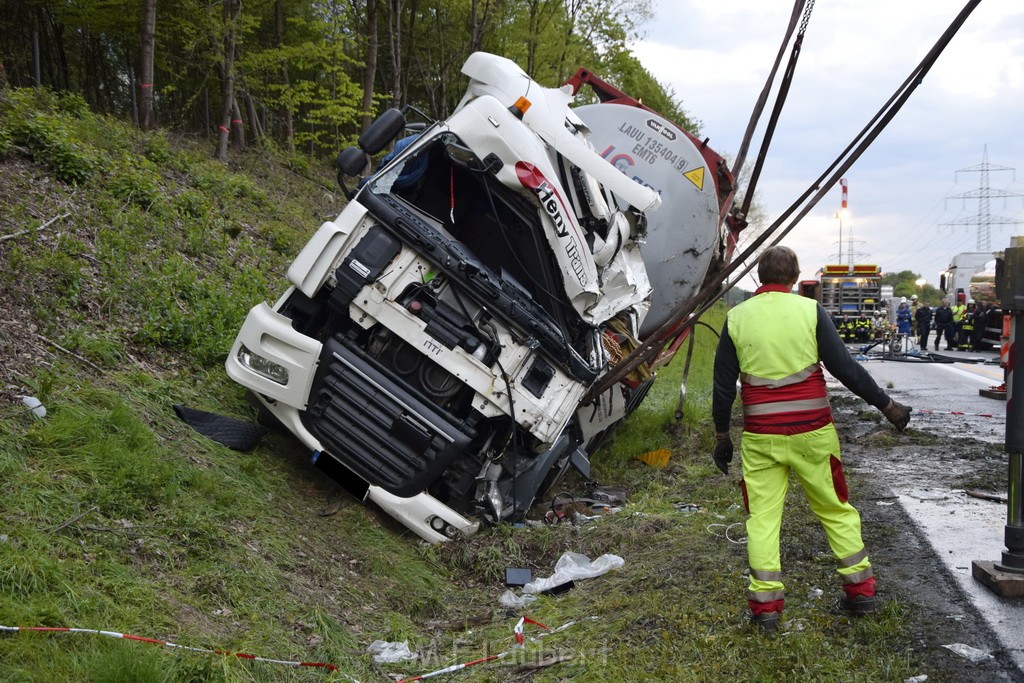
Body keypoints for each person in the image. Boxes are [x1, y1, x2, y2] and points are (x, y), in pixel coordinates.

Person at [711, 246, 912, 631]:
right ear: (794, 277)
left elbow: (722, 388)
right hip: (813, 435)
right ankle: (861, 593)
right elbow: (846, 369)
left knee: (763, 520)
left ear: (758, 277)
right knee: (835, 509)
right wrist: (887, 406)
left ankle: (766, 609)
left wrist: (722, 436)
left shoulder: (736, 318)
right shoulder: (809, 311)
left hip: (761, 439)